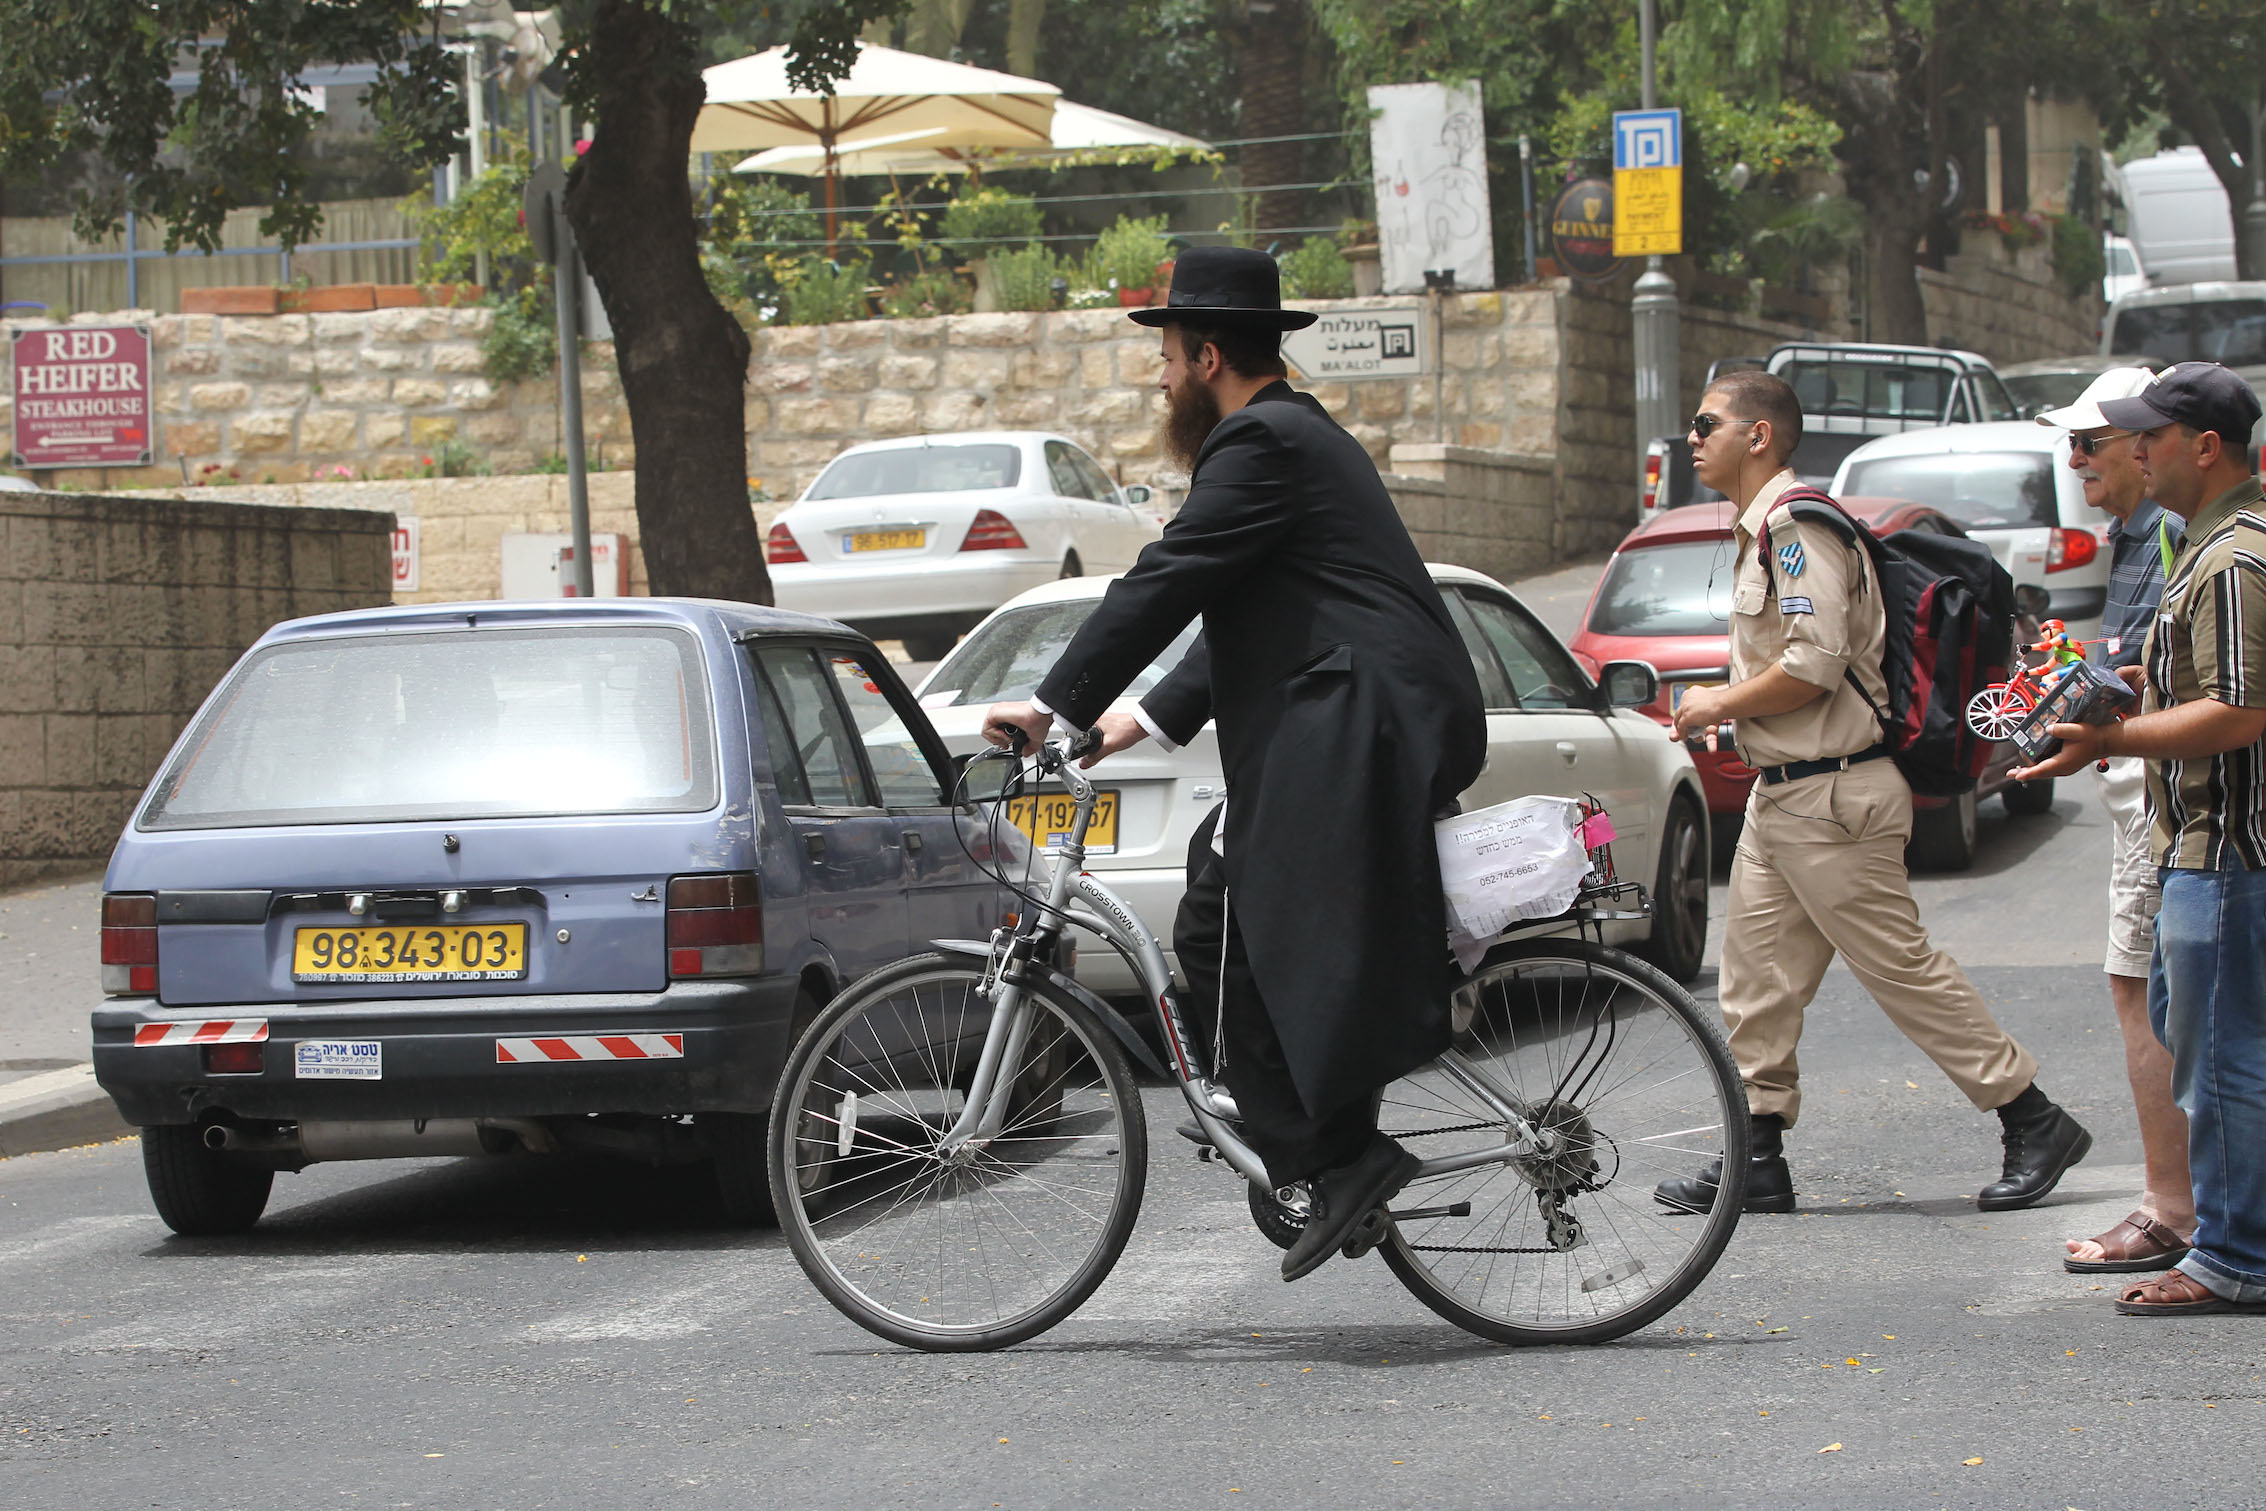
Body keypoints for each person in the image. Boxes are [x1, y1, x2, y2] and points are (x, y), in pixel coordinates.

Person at [979, 246, 1486, 1282]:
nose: (1159, 379)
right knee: (1213, 914)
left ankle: (1336, 1156)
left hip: (1361, 719)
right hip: (1352, 712)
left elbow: (1166, 579)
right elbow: (1251, 611)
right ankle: (1316, 1149)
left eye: (1166, 357)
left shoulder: (1260, 440)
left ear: (1208, 355)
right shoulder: (1289, 438)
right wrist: (1135, 722)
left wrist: (1048, 702)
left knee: (1253, 920)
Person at [1656, 370, 2091, 1216]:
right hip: (1784, 797)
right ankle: (1758, 1151)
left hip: (1835, 797)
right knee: (1755, 978)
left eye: (1707, 421)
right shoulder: (1760, 532)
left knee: (1900, 969)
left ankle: (2032, 1116)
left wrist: (1715, 700)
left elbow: (1812, 668)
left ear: (1759, 436)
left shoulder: (1797, 528)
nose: (1693, 436)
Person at [2015, 361, 2266, 1316]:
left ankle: (2234, 1255)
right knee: (2199, 1038)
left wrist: (2114, 736)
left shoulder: (2234, 555)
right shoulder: (2205, 543)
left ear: (2204, 448)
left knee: (2224, 1055)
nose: (2131, 452)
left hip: (2231, 853)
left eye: (2148, 436)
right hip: (2199, 850)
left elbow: (2239, 710)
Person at [2034, 368, 2193, 1276]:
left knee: (2140, 988)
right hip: (2147, 781)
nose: (2076, 458)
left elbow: (2181, 678)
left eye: (2089, 441)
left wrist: (2095, 709)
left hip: (2158, 788)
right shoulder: (2140, 533)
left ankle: (2172, 1207)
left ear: (2147, 444)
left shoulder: (2171, 531)